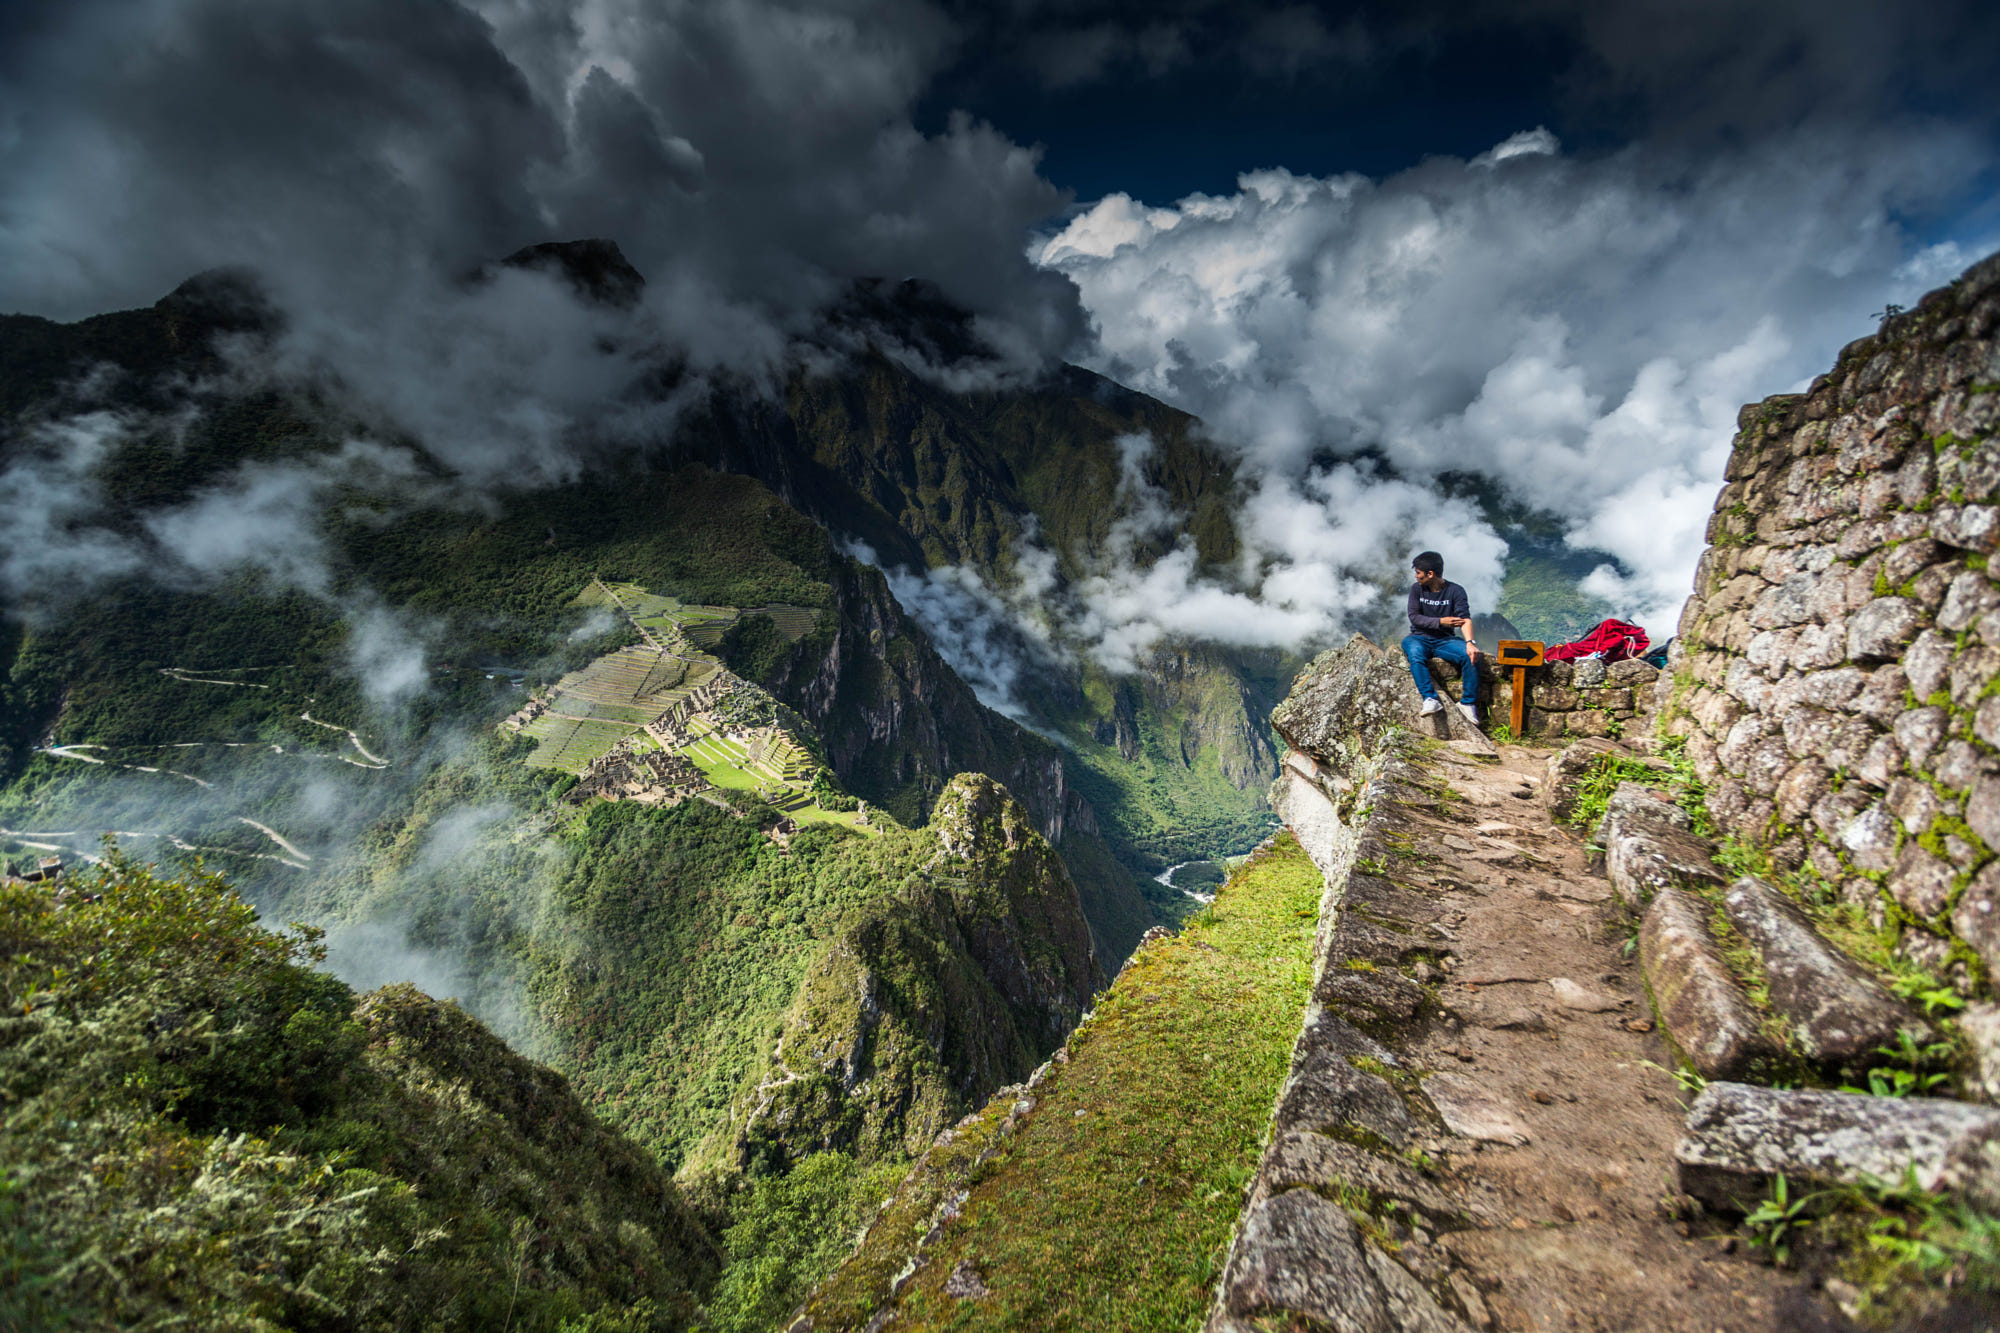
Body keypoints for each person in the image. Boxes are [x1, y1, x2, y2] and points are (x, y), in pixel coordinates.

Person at [1401, 551, 1482, 724]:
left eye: (1418, 573)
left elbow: (1464, 619)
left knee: (1471, 656)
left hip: (1445, 640)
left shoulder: (1455, 591)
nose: (1416, 576)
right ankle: (1429, 698)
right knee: (1415, 654)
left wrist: (1470, 643)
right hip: (1419, 637)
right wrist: (1441, 621)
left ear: (1430, 574)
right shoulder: (1416, 589)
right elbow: (1414, 617)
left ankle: (1467, 703)